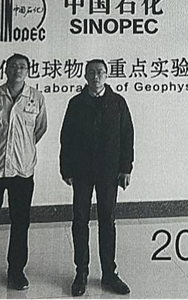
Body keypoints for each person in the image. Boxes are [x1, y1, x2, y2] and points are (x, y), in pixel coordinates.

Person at [0, 53, 47, 292]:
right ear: (5, 70)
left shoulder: (36, 98)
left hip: (22, 171)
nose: (18, 70)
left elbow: (39, 130)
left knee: (21, 223)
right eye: (13, 66)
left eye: (22, 66)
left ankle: (16, 272)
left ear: (28, 71)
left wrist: (21, 150)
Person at [60, 59, 134, 296]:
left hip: (109, 172)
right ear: (85, 76)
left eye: (100, 72)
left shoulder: (118, 102)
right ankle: (81, 273)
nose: (96, 76)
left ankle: (109, 273)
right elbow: (66, 138)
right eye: (91, 72)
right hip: (81, 171)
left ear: (107, 75)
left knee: (107, 221)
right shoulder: (76, 103)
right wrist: (66, 169)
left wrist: (126, 168)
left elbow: (127, 136)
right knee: (80, 220)